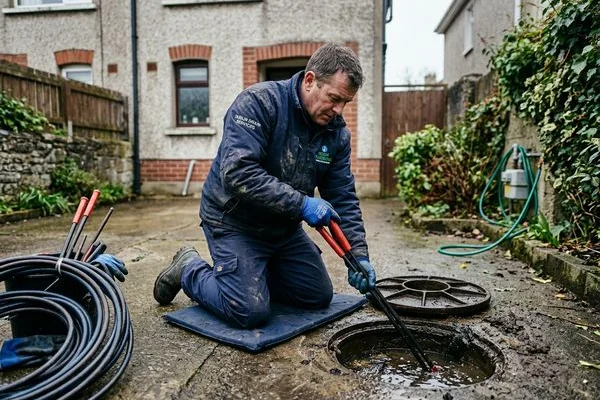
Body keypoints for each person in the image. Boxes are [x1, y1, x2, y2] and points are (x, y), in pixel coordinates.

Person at [153, 43, 376, 328]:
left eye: (346, 102)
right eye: (334, 98)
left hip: (282, 228)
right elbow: (237, 174)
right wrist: (301, 204)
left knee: (317, 296)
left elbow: (343, 196)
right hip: (234, 221)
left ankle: (252, 274)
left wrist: (358, 255)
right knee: (248, 311)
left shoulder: (335, 134)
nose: (338, 109)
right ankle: (189, 268)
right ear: (310, 81)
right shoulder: (258, 103)